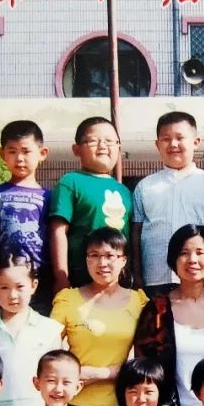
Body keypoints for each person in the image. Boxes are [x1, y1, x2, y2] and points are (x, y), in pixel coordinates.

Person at [133, 224, 204, 406]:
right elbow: (144, 364)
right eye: (184, 253)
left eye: (200, 252)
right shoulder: (157, 309)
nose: (192, 260)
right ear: (174, 259)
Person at [51, 227, 149, 406]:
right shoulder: (68, 300)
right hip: (73, 405)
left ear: (123, 260)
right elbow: (48, 354)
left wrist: (101, 373)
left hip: (123, 405)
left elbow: (148, 360)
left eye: (110, 256)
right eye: (94, 255)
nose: (102, 263)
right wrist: (73, 374)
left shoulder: (139, 302)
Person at [132, 111, 204, 296]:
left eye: (180, 138)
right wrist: (137, 276)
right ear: (157, 144)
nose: (173, 144)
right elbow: (136, 233)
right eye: (166, 139)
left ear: (196, 142)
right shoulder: (145, 187)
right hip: (155, 279)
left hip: (199, 278)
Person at [0, 254, 64, 406]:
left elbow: (58, 377)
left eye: (20, 287)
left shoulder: (50, 330)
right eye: (4, 287)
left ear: (33, 285)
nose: (12, 295)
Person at [49, 116, 132, 293]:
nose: (102, 146)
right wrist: (61, 276)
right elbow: (58, 231)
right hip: (81, 277)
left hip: (117, 280)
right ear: (76, 149)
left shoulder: (124, 190)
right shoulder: (71, 182)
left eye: (109, 141)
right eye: (93, 141)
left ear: (118, 147)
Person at [0, 120, 52, 313]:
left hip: (39, 280)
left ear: (42, 153)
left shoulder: (49, 197)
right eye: (12, 151)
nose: (19, 158)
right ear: (2, 154)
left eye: (26, 151)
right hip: (1, 278)